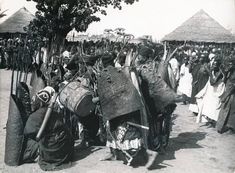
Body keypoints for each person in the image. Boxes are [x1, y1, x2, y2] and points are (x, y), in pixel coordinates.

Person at [195, 57, 225, 125]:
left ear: (218, 66)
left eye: (215, 65)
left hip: (218, 90)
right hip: (212, 90)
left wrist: (209, 72)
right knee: (206, 102)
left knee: (216, 105)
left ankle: (215, 120)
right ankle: (210, 118)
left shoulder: (219, 72)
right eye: (213, 64)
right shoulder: (213, 70)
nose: (213, 66)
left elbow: (212, 83)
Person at [216, 57, 235, 133]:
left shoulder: (233, 74)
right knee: (227, 111)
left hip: (231, 94)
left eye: (231, 64)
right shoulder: (230, 72)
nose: (229, 65)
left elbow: (232, 87)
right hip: (228, 93)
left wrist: (225, 96)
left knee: (227, 111)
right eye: (229, 64)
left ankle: (224, 128)